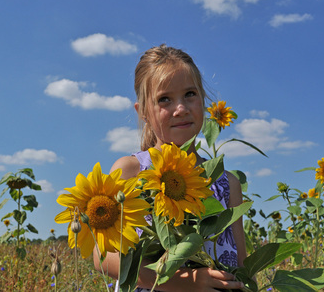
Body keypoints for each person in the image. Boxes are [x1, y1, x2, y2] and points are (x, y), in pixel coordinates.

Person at [94, 44, 247, 291]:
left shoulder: (227, 183)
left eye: (190, 94)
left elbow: (242, 265)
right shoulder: (131, 171)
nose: (181, 109)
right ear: (143, 110)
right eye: (164, 99)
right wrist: (184, 282)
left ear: (203, 100)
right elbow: (104, 257)